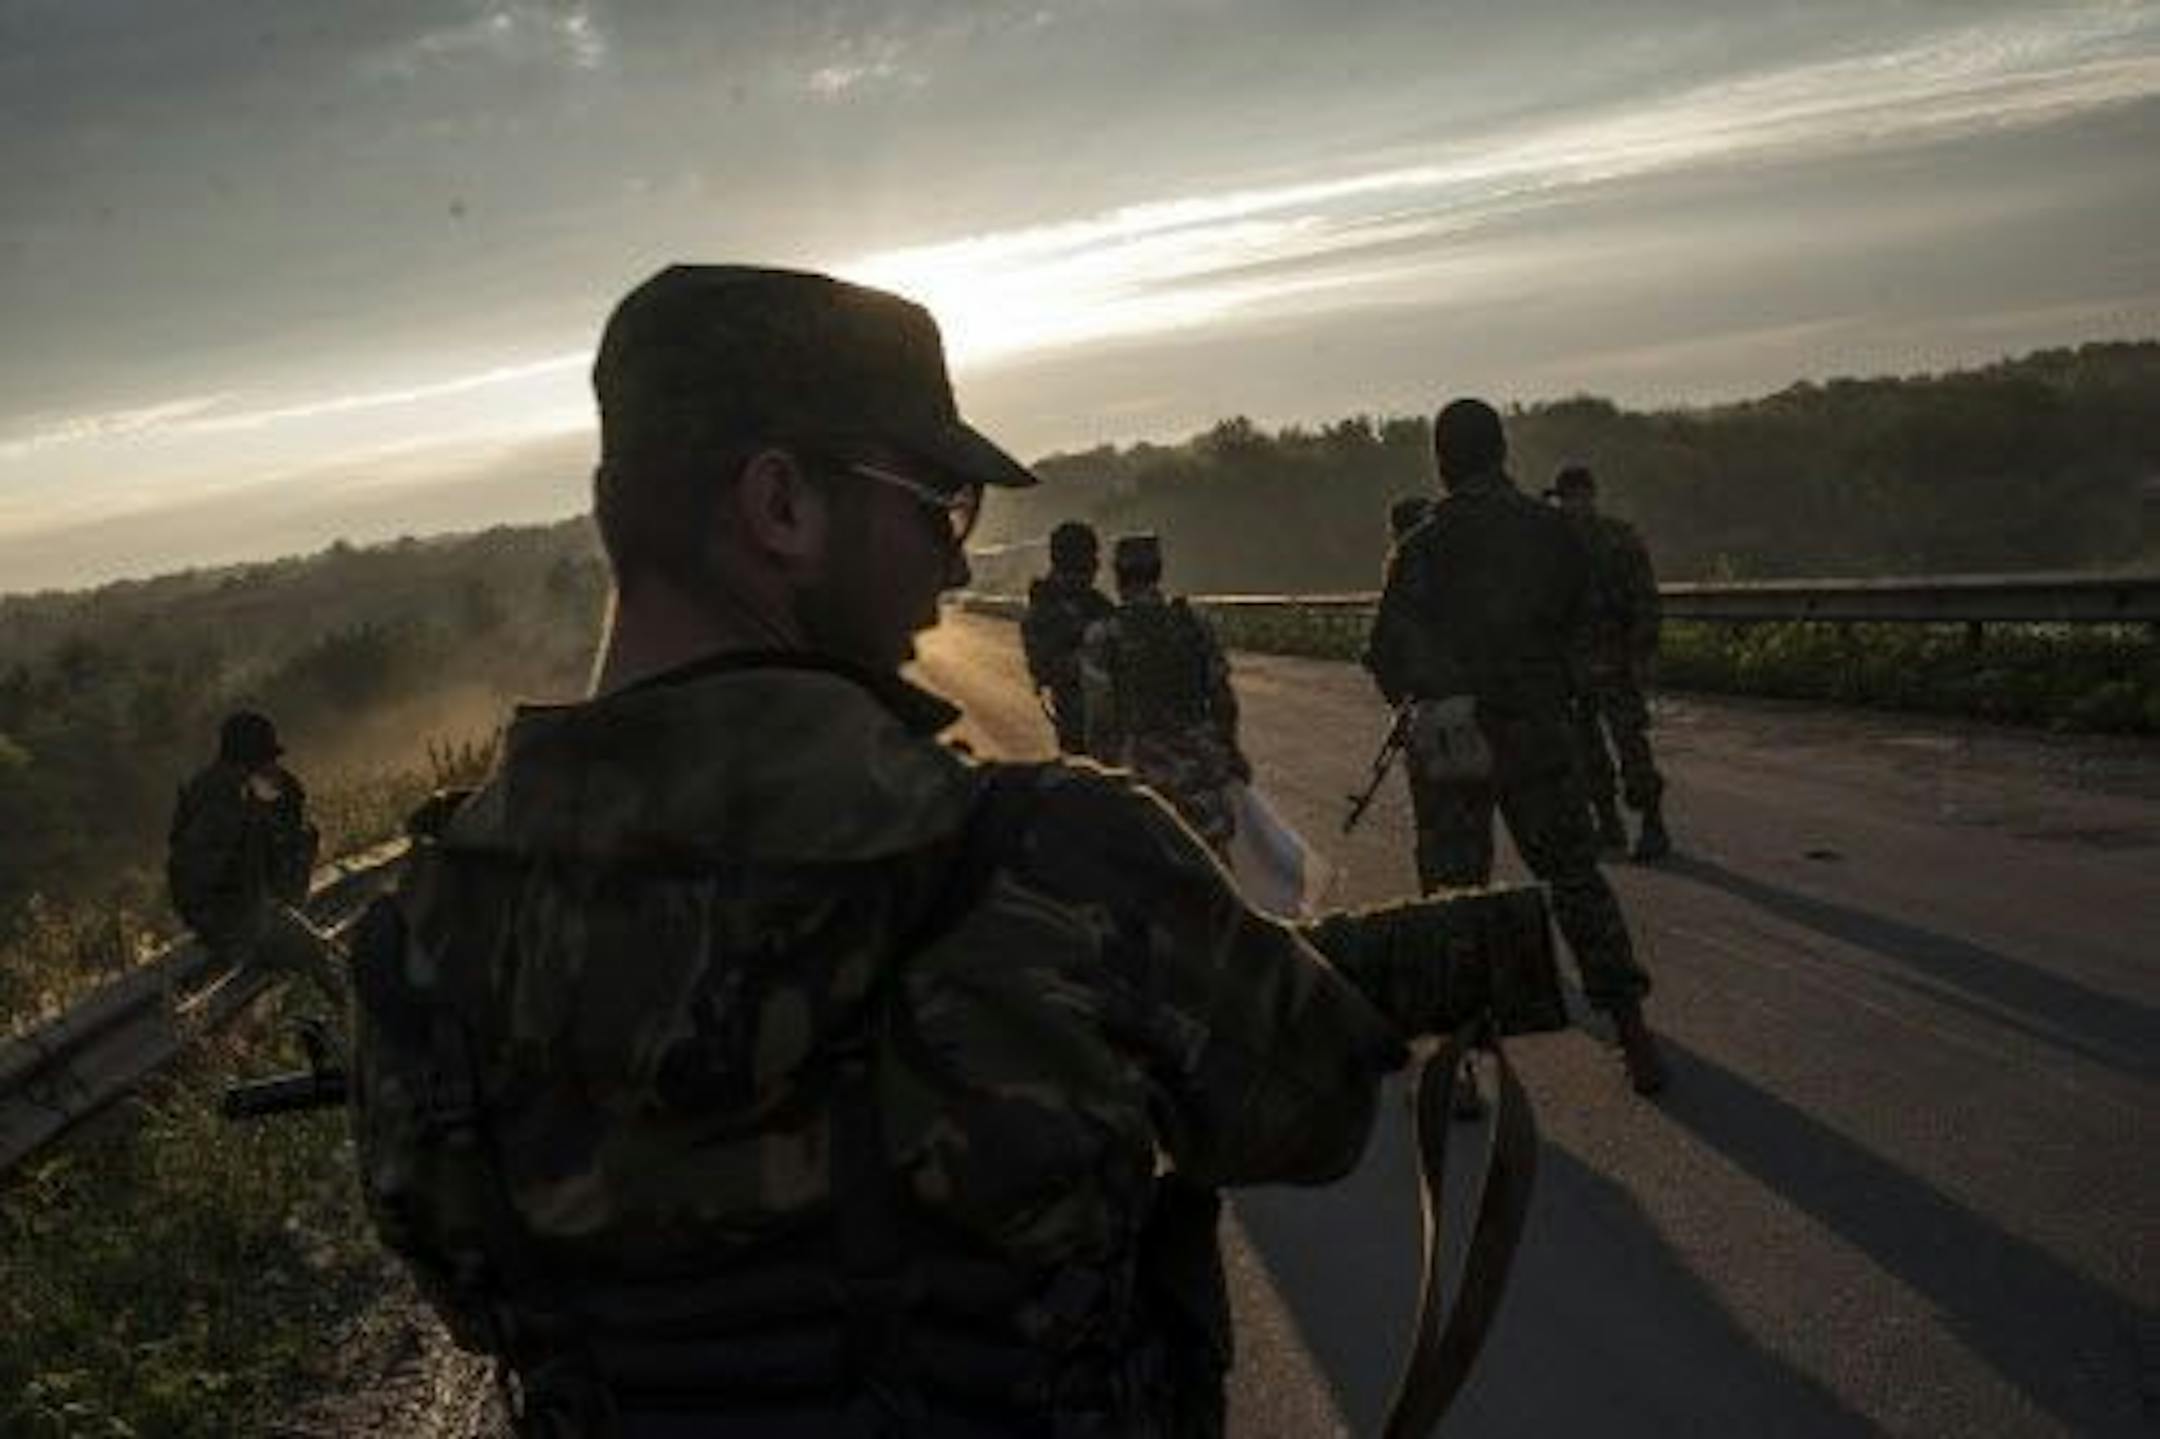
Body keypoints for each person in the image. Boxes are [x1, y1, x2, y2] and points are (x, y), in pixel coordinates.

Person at [347, 265, 1567, 1437]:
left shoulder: (425, 934)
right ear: (783, 505)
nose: (950, 556)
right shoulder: (1053, 856)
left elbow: (468, 1289)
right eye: (939, 503)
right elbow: (1299, 1106)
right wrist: (1464, 954)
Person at [1366, 398, 1668, 1095]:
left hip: (1453, 738)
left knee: (1451, 899)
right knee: (1574, 878)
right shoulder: (1555, 532)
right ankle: (1634, 1035)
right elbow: (1591, 628)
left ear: (1441, 460)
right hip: (1538, 729)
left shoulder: (1424, 546)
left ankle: (1462, 1065)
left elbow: (1386, 654)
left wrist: (1430, 696)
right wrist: (1551, 687)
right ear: (1502, 451)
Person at [1078, 533, 1251, 853]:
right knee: (1215, 867)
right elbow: (1222, 697)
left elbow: (1100, 718)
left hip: (1143, 772)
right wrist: (1231, 752)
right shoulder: (1193, 624)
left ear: (1117, 576)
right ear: (1158, 571)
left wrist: (1104, 773)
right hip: (1201, 768)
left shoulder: (1104, 634)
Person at [166, 709, 342, 1016]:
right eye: (266, 758)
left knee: (310, 947)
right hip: (231, 921)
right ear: (251, 758)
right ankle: (349, 1013)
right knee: (316, 955)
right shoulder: (225, 797)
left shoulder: (235, 789)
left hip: (243, 914)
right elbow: (203, 875)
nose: (272, 764)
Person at [1550, 464, 1669, 861]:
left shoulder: (1614, 540)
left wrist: (1642, 651)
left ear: (1590, 496)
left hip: (1614, 659)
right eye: (1568, 498)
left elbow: (1645, 599)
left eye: (1577, 496)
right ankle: (1610, 824)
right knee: (1588, 750)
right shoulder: (1560, 544)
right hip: (1576, 665)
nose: (1573, 505)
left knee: (1629, 745)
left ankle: (1651, 824)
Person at [1019, 520, 1115, 753]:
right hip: (1078, 723)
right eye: (1089, 558)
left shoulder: (1094, 602)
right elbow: (1044, 669)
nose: (1095, 566)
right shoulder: (1045, 607)